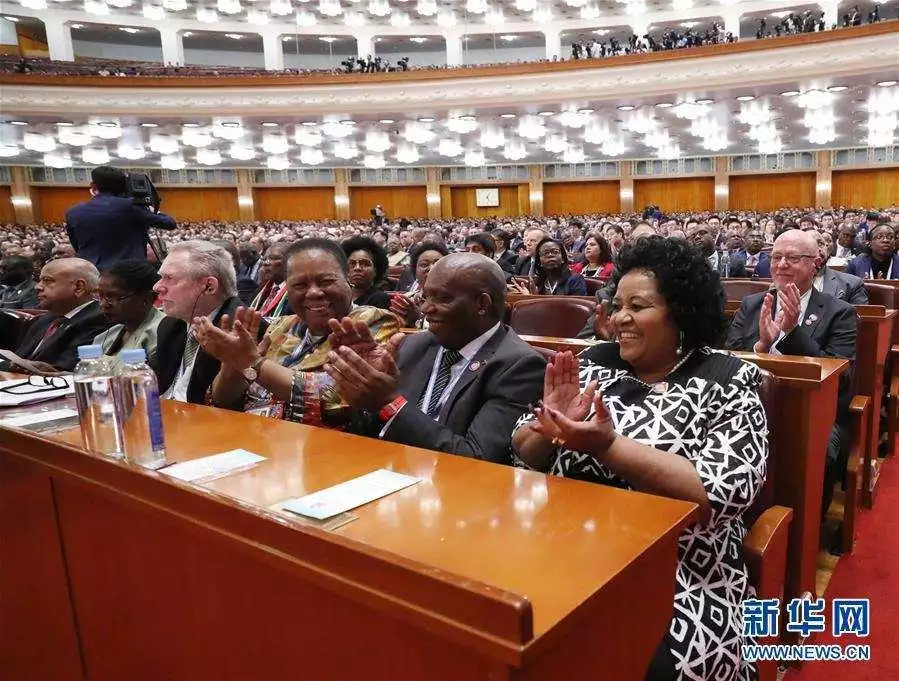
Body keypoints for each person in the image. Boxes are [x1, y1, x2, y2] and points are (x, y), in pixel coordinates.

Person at [511, 236, 766, 681]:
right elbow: (522, 451)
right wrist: (548, 425)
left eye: (638, 306)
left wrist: (608, 447)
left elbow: (722, 493)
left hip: (680, 571)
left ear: (681, 312)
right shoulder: (594, 362)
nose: (620, 317)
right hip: (562, 549)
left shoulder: (729, 380)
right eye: (617, 305)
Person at [324, 252, 545, 463]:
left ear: (482, 304)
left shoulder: (520, 366)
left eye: (442, 298)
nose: (425, 309)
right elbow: (373, 431)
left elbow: (477, 459)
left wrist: (390, 403)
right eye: (425, 296)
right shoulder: (412, 345)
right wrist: (363, 392)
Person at [196, 239, 399, 430]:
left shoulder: (372, 321)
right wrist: (232, 364)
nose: (313, 292)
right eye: (300, 285)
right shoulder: (280, 327)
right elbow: (220, 401)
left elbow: (337, 397)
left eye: (326, 281)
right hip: (254, 440)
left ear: (348, 280)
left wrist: (252, 363)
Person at [726, 230, 856, 518]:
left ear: (814, 264)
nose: (781, 264)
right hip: (748, 406)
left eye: (792, 258)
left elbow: (841, 377)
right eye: (776, 257)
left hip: (813, 412)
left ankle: (805, 527)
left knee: (813, 453)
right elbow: (728, 358)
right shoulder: (752, 304)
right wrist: (761, 346)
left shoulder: (839, 312)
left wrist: (792, 333)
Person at [151, 241, 264, 404]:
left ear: (209, 286)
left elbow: (227, 405)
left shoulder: (243, 329)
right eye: (161, 278)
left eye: (169, 278)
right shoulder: (170, 325)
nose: (157, 287)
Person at [2, 258, 109, 373]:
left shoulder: (98, 319)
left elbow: (63, 370)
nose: (37, 287)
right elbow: (18, 358)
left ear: (78, 287)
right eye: (40, 280)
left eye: (47, 280)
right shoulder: (46, 319)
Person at [64, 166, 176, 270]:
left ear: (93, 185)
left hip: (89, 271)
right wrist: (151, 210)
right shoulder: (130, 206)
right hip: (127, 273)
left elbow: (76, 245)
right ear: (125, 185)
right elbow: (169, 223)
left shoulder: (73, 211)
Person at [93, 260, 165, 359]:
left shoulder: (161, 336)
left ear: (146, 298)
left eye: (112, 297)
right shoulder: (104, 337)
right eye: (100, 296)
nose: (103, 304)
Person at [389, 242, 448, 327]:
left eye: (437, 263)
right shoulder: (406, 300)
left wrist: (418, 318)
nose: (431, 268)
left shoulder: (455, 301)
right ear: (415, 273)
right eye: (424, 265)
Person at [516, 237, 587, 296]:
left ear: (563, 258)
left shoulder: (575, 280)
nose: (550, 255)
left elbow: (575, 307)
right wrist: (530, 297)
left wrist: (536, 299)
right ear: (540, 261)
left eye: (555, 252)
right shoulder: (538, 283)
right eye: (546, 253)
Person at [811, 232, 868, 304]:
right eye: (810, 244)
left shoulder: (852, 285)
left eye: (820, 244)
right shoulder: (795, 282)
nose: (818, 248)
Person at [342, 236, 391, 309]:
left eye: (365, 264)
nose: (357, 268)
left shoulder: (381, 299)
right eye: (352, 264)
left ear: (375, 270)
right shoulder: (339, 297)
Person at [249, 242, 291, 317]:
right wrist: (261, 285)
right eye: (265, 259)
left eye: (273, 258)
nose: (266, 263)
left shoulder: (294, 294)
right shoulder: (264, 290)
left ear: (289, 262)